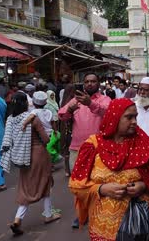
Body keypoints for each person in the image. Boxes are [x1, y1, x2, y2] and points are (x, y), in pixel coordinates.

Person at [69, 99, 149, 240]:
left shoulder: (145, 144)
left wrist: (144, 185)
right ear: (114, 118)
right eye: (129, 117)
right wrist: (101, 189)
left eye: (135, 117)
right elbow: (75, 185)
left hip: (140, 225)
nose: (134, 121)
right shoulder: (92, 146)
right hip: (103, 228)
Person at [1, 93, 61, 236]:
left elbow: (9, 139)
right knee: (45, 183)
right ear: (26, 104)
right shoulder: (32, 119)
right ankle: (48, 214)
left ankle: (17, 219)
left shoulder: (10, 119)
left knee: (26, 186)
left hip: (22, 157)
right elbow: (46, 140)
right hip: (39, 155)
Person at [58, 73, 111, 228]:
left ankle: (98, 211)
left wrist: (91, 104)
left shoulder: (104, 100)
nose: (89, 84)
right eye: (87, 81)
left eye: (93, 81)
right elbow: (61, 115)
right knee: (79, 184)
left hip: (99, 149)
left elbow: (109, 113)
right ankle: (81, 213)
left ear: (98, 83)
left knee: (98, 181)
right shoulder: (76, 100)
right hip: (77, 148)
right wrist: (70, 110)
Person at [58, 84, 75, 177]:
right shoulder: (73, 101)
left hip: (65, 128)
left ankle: (67, 170)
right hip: (71, 128)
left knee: (67, 150)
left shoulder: (63, 101)